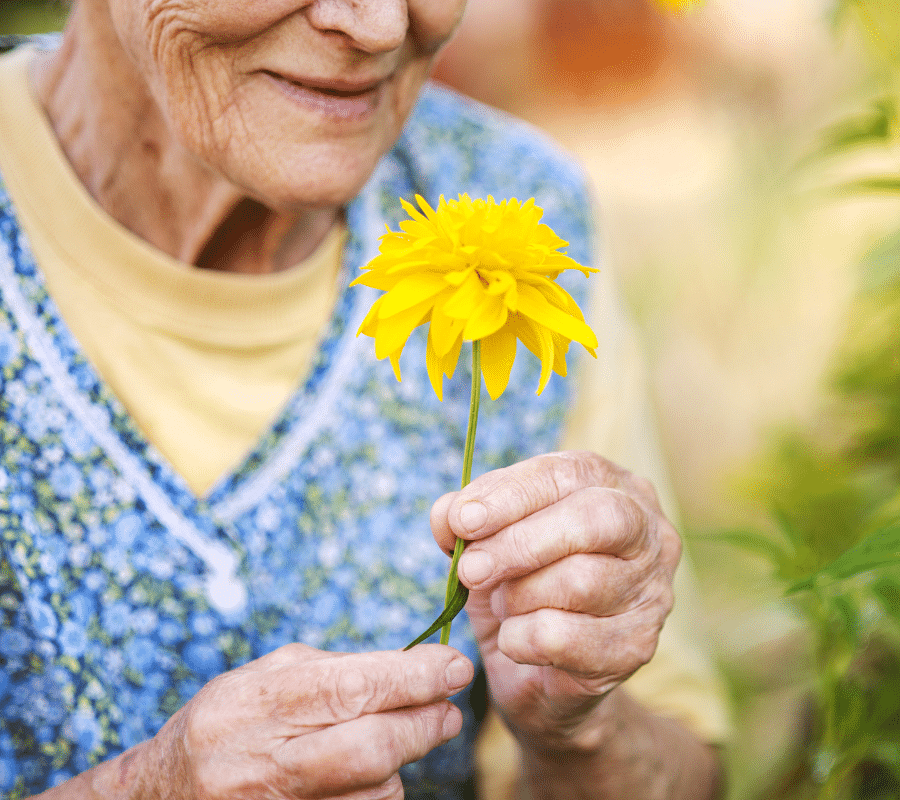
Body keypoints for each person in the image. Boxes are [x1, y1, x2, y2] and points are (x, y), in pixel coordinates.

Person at [0, 1, 728, 798]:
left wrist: (583, 733)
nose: (380, 25)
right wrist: (142, 789)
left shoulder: (525, 209)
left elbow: (687, 767)